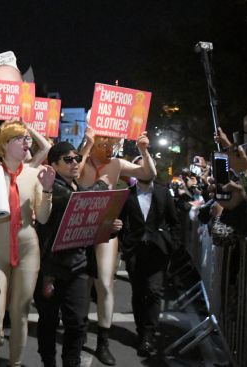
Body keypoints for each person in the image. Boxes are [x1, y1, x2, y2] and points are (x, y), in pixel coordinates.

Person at [35, 141, 119, 367]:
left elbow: (88, 226)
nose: (75, 164)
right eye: (68, 159)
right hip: (51, 268)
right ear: (53, 164)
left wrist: (109, 228)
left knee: (78, 322)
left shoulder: (77, 188)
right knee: (49, 321)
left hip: (78, 267)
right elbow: (76, 204)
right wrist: (101, 185)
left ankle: (71, 362)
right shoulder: (54, 188)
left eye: (77, 159)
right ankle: (49, 362)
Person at [77, 130, 155, 365]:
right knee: (81, 283)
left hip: (107, 229)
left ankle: (103, 341)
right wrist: (87, 146)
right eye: (104, 144)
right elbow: (72, 174)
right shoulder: (82, 160)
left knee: (105, 283)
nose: (109, 149)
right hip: (80, 227)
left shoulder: (116, 163)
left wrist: (143, 149)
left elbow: (148, 174)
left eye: (113, 144)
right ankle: (79, 332)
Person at [0, 121, 55, 367]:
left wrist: (46, 191)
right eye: (20, 139)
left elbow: (42, 217)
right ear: (5, 144)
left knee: (20, 313)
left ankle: (15, 363)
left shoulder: (34, 174)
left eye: (27, 139)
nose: (27, 143)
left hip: (27, 248)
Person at [118, 165, 180, 358]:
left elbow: (174, 221)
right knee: (138, 293)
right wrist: (123, 240)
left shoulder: (163, 193)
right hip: (135, 251)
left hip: (158, 251)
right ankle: (140, 330)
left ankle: (149, 335)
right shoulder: (126, 195)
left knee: (153, 292)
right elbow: (118, 221)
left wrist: (172, 244)